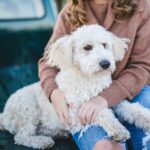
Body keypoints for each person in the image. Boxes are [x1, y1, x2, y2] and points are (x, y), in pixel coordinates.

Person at [38, 0, 150, 149]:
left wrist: (105, 98)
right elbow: (47, 62)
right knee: (106, 146)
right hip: (83, 93)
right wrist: (53, 91)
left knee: (146, 136)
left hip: (135, 87)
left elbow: (142, 65)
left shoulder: (141, 6)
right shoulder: (69, 11)